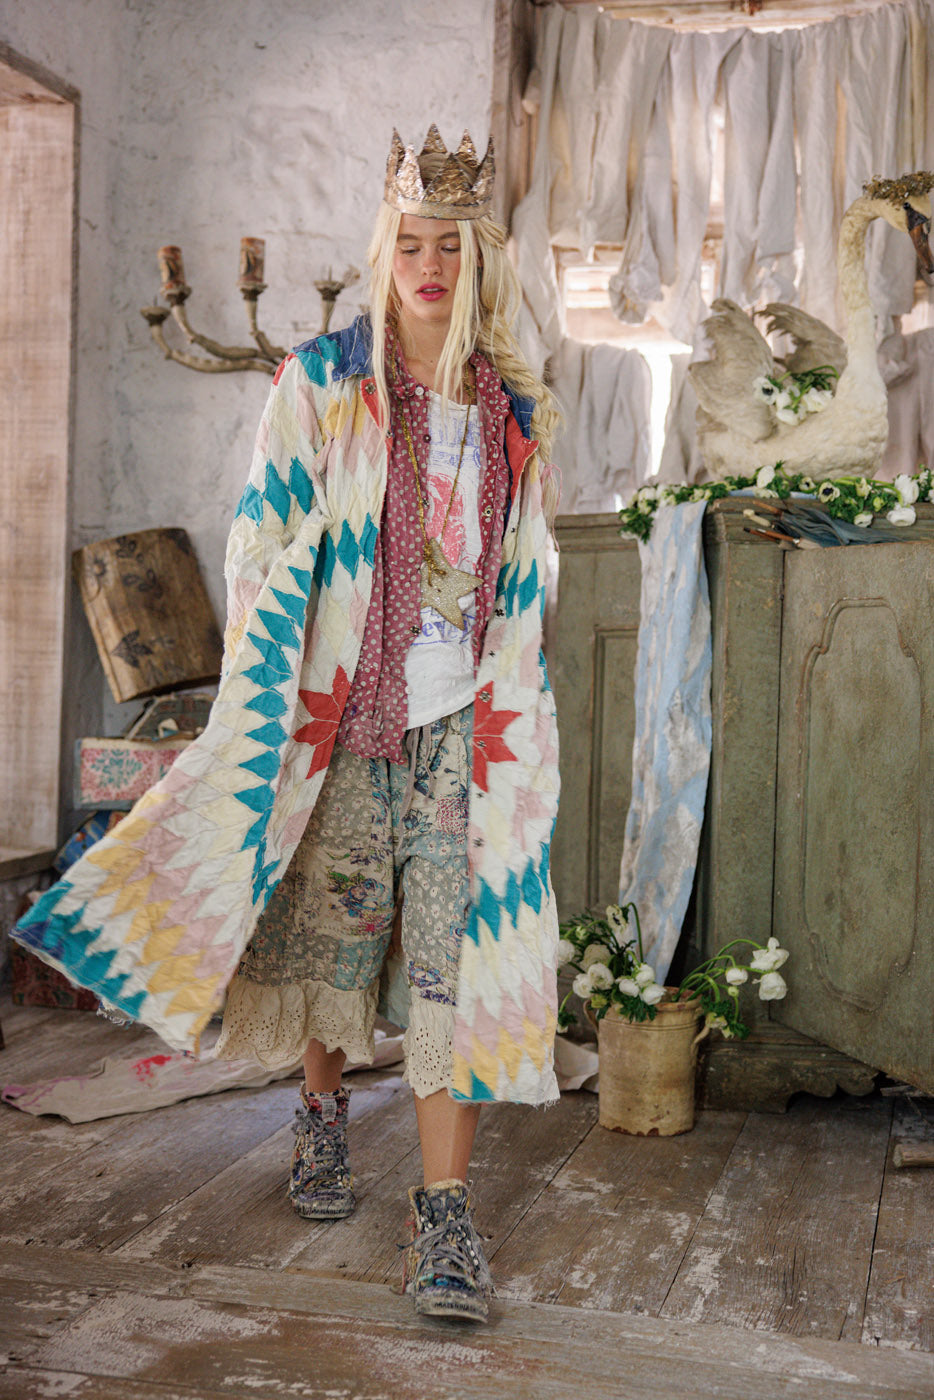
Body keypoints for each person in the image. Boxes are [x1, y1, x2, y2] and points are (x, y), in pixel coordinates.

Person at [12, 124, 562, 1325]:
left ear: (482, 260)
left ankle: (444, 1216)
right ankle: (319, 1118)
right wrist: (326, 588)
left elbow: (528, 565)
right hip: (344, 710)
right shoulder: (322, 379)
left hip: (469, 731)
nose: (428, 265)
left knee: (453, 974)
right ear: (385, 250)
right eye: (409, 243)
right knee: (333, 938)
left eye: (450, 247)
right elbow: (260, 533)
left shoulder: (510, 405)